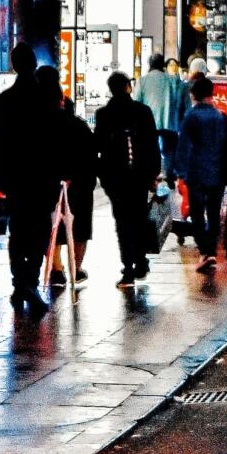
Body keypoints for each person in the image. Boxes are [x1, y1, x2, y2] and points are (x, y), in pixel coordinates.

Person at [0, 41, 58, 316]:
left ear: (14, 66)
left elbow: (2, 143)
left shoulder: (3, 101)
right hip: (42, 175)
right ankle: (29, 279)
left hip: (15, 176)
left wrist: (0, 178)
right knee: (41, 231)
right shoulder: (47, 98)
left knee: (17, 232)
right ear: (34, 64)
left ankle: (20, 282)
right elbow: (54, 139)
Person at [94, 71, 163, 286]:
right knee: (139, 217)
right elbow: (153, 145)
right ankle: (141, 260)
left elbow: (98, 145)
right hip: (139, 175)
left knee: (122, 222)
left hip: (115, 178)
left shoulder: (104, 114)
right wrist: (153, 174)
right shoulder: (143, 111)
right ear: (127, 87)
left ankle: (128, 269)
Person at [38, 64, 97, 287]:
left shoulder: (38, 125)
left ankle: (56, 267)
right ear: (61, 100)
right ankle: (76, 268)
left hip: (47, 183)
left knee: (51, 227)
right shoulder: (79, 125)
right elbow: (91, 155)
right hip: (79, 185)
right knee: (79, 228)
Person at [175, 72, 227, 274]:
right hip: (218, 173)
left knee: (197, 212)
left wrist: (179, 171)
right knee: (213, 212)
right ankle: (210, 250)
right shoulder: (222, 117)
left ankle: (204, 250)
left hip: (197, 173)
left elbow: (183, 146)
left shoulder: (191, 117)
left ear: (194, 95)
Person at [137, 52, 187, 171]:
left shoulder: (142, 80)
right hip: (169, 121)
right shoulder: (172, 80)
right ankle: (168, 173)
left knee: (149, 148)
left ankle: (152, 173)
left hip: (148, 122)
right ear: (162, 65)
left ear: (150, 64)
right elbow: (179, 100)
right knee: (169, 148)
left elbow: (137, 101)